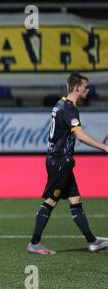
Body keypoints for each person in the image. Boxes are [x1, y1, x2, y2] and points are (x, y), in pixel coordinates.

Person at [27, 72, 108, 255]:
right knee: (51, 201)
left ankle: (92, 242)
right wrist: (103, 147)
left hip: (63, 161)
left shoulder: (60, 104)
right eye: (86, 87)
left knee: (75, 200)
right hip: (59, 162)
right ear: (77, 87)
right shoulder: (69, 108)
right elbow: (79, 135)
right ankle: (34, 243)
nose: (88, 90)